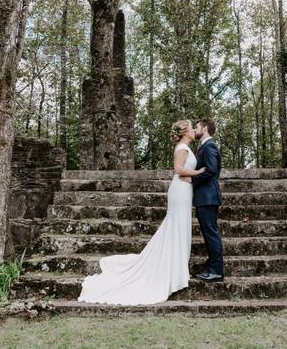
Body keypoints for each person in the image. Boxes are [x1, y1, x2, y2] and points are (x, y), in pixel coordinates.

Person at [77, 120, 205, 305]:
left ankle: (178, 269)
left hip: (185, 191)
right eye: (192, 127)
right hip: (180, 191)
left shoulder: (185, 146)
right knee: (177, 228)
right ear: (185, 131)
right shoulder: (182, 147)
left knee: (180, 230)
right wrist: (198, 172)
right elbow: (178, 169)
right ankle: (176, 272)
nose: (194, 130)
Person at [192, 118, 224, 282]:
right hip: (204, 197)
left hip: (208, 197)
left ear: (204, 128)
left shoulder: (210, 146)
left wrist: (192, 179)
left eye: (196, 127)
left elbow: (211, 170)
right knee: (208, 233)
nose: (194, 129)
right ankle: (212, 266)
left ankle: (216, 271)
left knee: (211, 234)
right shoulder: (203, 146)